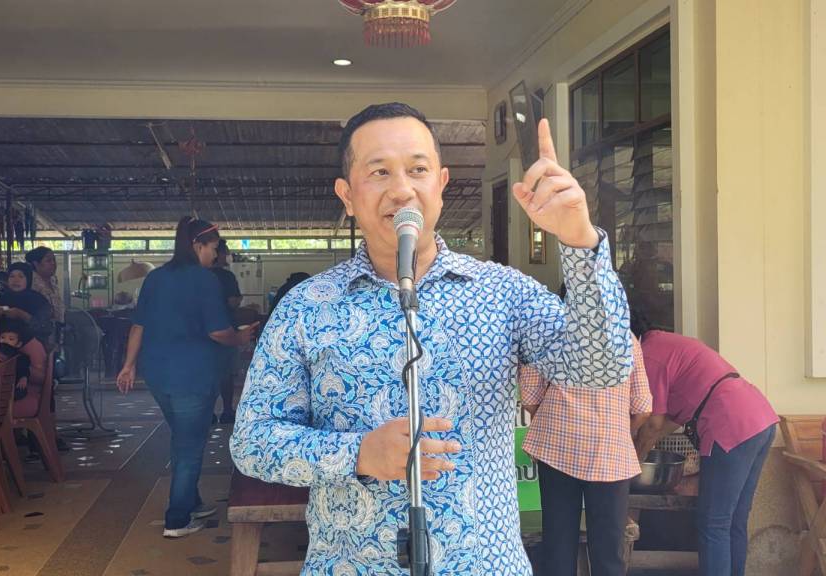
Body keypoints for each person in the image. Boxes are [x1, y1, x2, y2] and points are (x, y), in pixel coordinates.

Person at [230, 103, 633, 574]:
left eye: (417, 169)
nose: (402, 189)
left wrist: (581, 243)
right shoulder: (307, 306)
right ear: (347, 195)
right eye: (379, 171)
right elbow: (252, 443)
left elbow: (602, 368)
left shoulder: (502, 291)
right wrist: (357, 454)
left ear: (441, 184)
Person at [115, 217, 257, 538]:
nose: (215, 255)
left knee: (182, 437)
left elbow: (139, 325)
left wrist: (128, 365)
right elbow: (218, 332)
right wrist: (241, 337)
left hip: (157, 374)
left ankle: (192, 502)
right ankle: (177, 519)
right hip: (192, 374)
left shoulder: (155, 278)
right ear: (197, 245)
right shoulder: (205, 280)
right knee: (190, 445)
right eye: (213, 248)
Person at [631, 310, 778, 576]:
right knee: (734, 520)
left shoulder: (648, 356)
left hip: (730, 423)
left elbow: (653, 423)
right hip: (760, 418)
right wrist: (645, 444)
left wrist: (633, 461)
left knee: (714, 523)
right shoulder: (667, 343)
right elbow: (670, 421)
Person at [519, 332, 651, 576]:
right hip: (610, 454)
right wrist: (618, 432)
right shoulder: (625, 337)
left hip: (557, 450)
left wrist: (558, 425)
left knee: (558, 544)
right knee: (609, 552)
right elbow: (643, 407)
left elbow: (529, 397)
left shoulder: (548, 331)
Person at [210, 240, 242, 424]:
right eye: (226, 253)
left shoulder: (199, 275)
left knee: (207, 373)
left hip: (202, 332)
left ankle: (208, 412)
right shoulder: (226, 276)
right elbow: (232, 301)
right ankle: (227, 410)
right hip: (226, 328)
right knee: (226, 373)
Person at [0, 262, 54, 348]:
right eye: (12, 276)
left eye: (21, 276)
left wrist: (22, 315)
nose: (16, 280)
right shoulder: (3, 298)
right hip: (4, 347)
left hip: (32, 347)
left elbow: (46, 328)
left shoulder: (38, 300)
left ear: (28, 279)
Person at [0, 316, 47, 403]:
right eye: (2, 337)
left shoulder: (19, 356)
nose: (5, 341)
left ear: (18, 344)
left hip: (14, 384)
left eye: (11, 339)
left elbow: (24, 367)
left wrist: (24, 377)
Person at [25, 246, 65, 344]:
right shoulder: (30, 282)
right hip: (38, 335)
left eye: (54, 260)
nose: (53, 263)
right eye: (48, 260)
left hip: (56, 332)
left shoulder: (53, 280)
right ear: (36, 264)